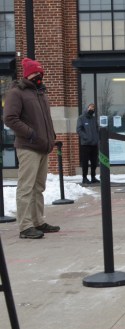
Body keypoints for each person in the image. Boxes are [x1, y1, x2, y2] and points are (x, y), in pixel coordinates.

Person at [4, 58, 60, 239]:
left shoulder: (41, 93)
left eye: (41, 73)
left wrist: (51, 136)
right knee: (26, 187)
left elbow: (45, 120)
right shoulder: (17, 93)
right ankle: (25, 226)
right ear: (28, 74)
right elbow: (10, 118)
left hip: (43, 147)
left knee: (39, 187)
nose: (39, 75)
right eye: (36, 72)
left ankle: (38, 221)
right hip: (28, 146)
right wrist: (31, 134)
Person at [76, 103, 100, 185]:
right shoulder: (81, 118)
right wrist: (86, 137)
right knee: (85, 162)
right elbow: (78, 130)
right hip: (85, 145)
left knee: (94, 162)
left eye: (93, 108)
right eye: (91, 108)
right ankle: (84, 178)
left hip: (94, 144)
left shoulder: (94, 119)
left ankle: (93, 177)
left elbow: (97, 129)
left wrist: (97, 138)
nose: (92, 109)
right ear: (87, 108)